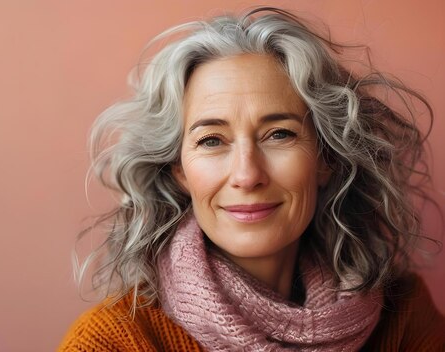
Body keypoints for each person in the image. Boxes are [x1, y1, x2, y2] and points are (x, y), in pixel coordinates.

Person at [59, 7, 445, 351]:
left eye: (280, 134)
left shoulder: (405, 318)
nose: (247, 174)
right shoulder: (114, 341)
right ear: (178, 169)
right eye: (211, 140)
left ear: (326, 157)